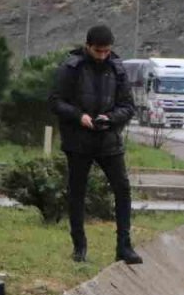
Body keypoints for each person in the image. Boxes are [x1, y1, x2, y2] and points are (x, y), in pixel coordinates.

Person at [49, 25, 142, 265]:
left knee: (122, 189)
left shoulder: (117, 69)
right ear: (88, 46)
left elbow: (128, 106)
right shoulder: (71, 67)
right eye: (98, 51)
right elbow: (55, 101)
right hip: (78, 140)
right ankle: (79, 247)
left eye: (106, 51)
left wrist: (110, 118)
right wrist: (79, 116)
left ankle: (124, 246)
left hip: (108, 139)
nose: (102, 56)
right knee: (77, 192)